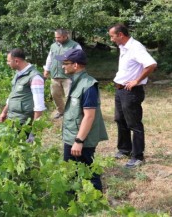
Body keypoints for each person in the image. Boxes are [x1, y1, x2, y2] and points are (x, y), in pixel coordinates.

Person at [55, 48, 108, 191]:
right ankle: (72, 199)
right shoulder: (76, 81)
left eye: (65, 63)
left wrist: (79, 141)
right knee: (71, 171)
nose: (62, 66)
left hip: (81, 139)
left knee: (88, 171)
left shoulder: (89, 85)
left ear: (76, 65)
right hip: (72, 135)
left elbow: (89, 116)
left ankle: (96, 202)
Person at [109, 24, 157, 168]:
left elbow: (151, 64)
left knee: (134, 123)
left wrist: (136, 80)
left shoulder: (136, 47)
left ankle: (137, 156)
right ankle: (124, 149)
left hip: (131, 92)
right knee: (120, 119)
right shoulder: (123, 47)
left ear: (121, 35)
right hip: (120, 89)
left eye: (112, 36)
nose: (111, 39)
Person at [0, 48, 46, 140]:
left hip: (24, 122)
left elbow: (39, 106)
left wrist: (34, 131)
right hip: (12, 118)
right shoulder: (18, 74)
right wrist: (4, 112)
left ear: (16, 61)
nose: (7, 63)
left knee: (21, 150)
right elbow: (13, 95)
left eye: (8, 61)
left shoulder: (35, 77)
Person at [43, 29, 82, 119]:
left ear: (65, 36)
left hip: (69, 76)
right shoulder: (53, 46)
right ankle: (61, 111)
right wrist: (46, 70)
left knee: (71, 96)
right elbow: (49, 58)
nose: (56, 39)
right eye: (55, 37)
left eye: (58, 37)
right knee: (55, 95)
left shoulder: (75, 46)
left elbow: (80, 59)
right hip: (55, 75)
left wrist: (77, 72)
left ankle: (73, 114)